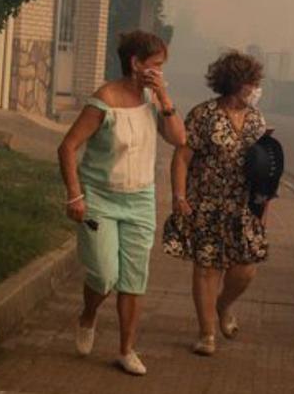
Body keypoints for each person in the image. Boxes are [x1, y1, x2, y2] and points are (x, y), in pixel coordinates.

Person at [57, 31, 185, 376]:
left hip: (141, 200)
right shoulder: (105, 99)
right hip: (100, 197)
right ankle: (88, 315)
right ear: (135, 63)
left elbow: (179, 139)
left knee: (133, 279)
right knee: (103, 273)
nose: (160, 71)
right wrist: (75, 194)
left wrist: (163, 95)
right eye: (155, 65)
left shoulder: (154, 99)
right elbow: (67, 147)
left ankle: (126, 350)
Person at [162, 50, 270, 357]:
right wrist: (179, 195)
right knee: (207, 269)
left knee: (245, 269)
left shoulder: (257, 119)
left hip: (243, 208)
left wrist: (264, 209)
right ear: (236, 83)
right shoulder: (203, 115)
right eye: (252, 82)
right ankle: (206, 333)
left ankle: (223, 305)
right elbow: (182, 157)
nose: (256, 88)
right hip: (206, 204)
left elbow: (267, 169)